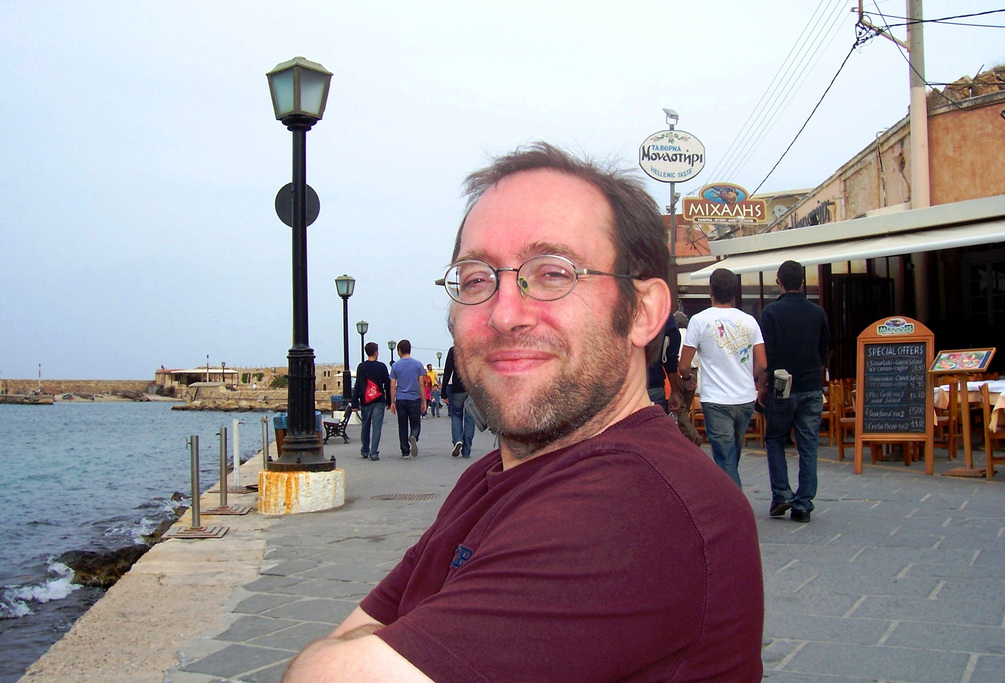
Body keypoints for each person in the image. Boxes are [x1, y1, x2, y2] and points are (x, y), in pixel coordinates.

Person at [284, 143, 763, 681]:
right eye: (476, 278)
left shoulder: (643, 507)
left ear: (643, 311)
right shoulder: (488, 480)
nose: (505, 314)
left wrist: (353, 649)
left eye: (554, 273)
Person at [680, 268, 766, 488]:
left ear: (711, 291)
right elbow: (763, 363)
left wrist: (688, 377)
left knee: (724, 458)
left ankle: (734, 508)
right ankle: (730, 500)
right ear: (734, 293)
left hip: (716, 399)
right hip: (745, 397)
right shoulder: (750, 321)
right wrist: (748, 376)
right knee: (732, 456)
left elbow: (684, 364)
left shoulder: (699, 321)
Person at [759, 260, 830, 523]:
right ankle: (804, 504)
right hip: (811, 385)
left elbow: (768, 353)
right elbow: (824, 348)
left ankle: (781, 493)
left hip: (782, 386)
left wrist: (762, 387)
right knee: (808, 444)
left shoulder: (771, 313)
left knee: (775, 438)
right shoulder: (817, 312)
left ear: (779, 282)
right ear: (802, 281)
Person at [352, 342, 392, 461]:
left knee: (365, 425)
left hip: (365, 400)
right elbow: (387, 384)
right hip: (379, 400)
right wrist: (389, 401)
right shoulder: (382, 366)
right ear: (376, 352)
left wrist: (354, 403)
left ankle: (365, 449)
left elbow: (358, 385)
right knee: (376, 426)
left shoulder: (361, 367)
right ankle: (374, 452)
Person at [389, 339, 427, 458]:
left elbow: (392, 385)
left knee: (402, 425)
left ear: (400, 350)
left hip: (401, 398)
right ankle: (414, 436)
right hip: (414, 398)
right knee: (415, 423)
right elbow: (421, 384)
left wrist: (392, 402)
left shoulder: (395, 365)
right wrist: (424, 400)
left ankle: (405, 451)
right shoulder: (418, 364)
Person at [672, 308, 702, 445]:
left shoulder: (674, 335)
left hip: (679, 373)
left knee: (679, 409)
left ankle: (692, 435)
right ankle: (684, 438)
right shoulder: (692, 335)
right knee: (686, 408)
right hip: (694, 372)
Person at [441, 344, 475, 458]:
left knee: (456, 415)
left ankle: (457, 440)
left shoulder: (453, 350)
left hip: (457, 388)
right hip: (472, 388)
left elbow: (447, 371)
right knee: (470, 418)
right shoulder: (474, 349)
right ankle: (467, 450)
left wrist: (443, 391)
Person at [646, 313, 683, 413]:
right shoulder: (659, 310)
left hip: (617, 390)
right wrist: (675, 391)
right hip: (653, 383)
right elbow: (670, 357)